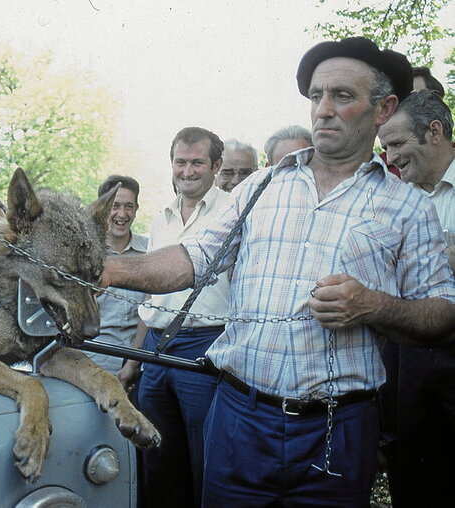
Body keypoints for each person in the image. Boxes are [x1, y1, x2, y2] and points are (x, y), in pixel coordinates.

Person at [101, 37, 455, 506]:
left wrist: (373, 305)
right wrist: (104, 269)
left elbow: (442, 313)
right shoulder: (263, 185)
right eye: (316, 96)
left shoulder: (407, 206)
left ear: (384, 108)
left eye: (342, 96)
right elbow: (193, 258)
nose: (323, 110)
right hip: (239, 420)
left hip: (338, 431)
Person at [118, 127, 231, 508]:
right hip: (157, 346)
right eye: (180, 162)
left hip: (206, 343)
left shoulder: (233, 210)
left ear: (216, 166)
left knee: (204, 452)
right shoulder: (159, 219)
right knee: (156, 448)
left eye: (197, 162)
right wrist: (134, 359)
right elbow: (151, 296)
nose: (187, 171)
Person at [377, 89, 455, 507]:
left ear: (435, 132)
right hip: (404, 352)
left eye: (396, 143)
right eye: (384, 147)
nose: (389, 158)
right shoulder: (393, 200)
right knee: (408, 459)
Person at [84, 175, 149, 375]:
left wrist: (132, 364)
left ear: (136, 210)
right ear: (102, 209)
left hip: (143, 361)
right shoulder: (86, 253)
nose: (122, 213)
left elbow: (151, 309)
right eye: (115, 206)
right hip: (96, 361)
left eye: (129, 206)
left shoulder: (151, 251)